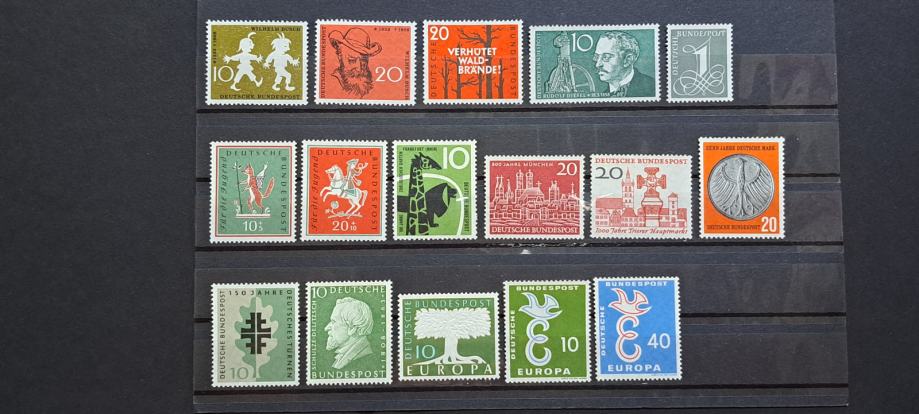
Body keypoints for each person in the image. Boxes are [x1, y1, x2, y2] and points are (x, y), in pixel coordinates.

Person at [592, 31, 654, 97]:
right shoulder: (602, 97)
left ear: (628, 60)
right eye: (597, 57)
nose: (598, 65)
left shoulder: (652, 88)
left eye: (606, 57)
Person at [328, 28, 382, 97]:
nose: (359, 68)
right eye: (352, 60)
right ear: (339, 56)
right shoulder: (332, 82)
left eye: (363, 61)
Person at [325, 297, 373, 369]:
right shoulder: (345, 354)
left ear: (352, 328)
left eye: (334, 322)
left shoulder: (363, 356)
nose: (326, 328)